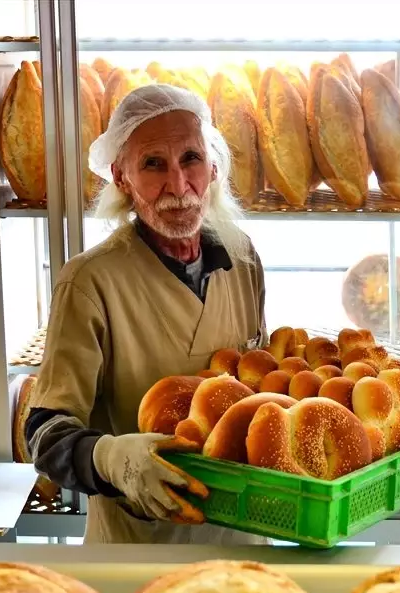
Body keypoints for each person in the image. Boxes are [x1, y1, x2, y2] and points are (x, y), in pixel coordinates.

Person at [25, 84, 268, 544]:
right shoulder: (90, 282)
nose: (178, 185)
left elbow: (260, 388)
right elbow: (44, 434)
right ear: (121, 178)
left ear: (213, 167)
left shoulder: (243, 260)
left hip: (245, 538)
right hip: (138, 549)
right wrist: (113, 460)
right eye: (153, 164)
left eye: (191, 159)